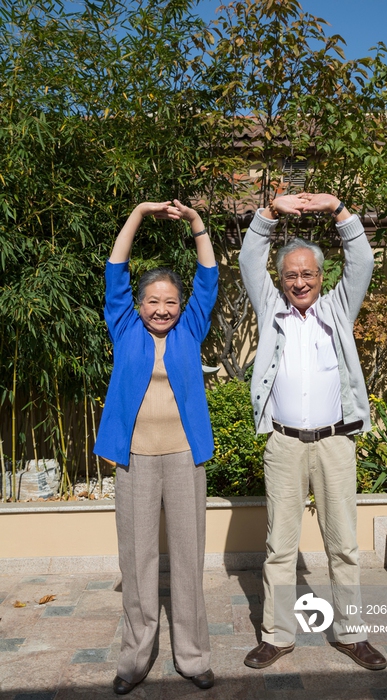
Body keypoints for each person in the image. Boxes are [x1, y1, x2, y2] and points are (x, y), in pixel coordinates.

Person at [238, 192, 387, 671]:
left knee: (343, 544)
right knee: (279, 547)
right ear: (280, 281)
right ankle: (278, 636)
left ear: (322, 277)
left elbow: (361, 257)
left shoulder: (339, 308)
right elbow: (248, 257)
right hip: (283, 443)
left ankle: (351, 633)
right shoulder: (271, 308)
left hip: (335, 442)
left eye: (308, 273)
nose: (299, 281)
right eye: (291, 275)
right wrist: (271, 212)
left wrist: (336, 208)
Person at [93, 200, 218, 695]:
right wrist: (139, 215)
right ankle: (134, 659)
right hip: (135, 459)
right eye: (153, 301)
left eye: (170, 301)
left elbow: (208, 275)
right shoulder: (123, 327)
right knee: (137, 560)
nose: (162, 309)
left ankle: (192, 656)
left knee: (187, 559)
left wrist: (195, 222)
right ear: (138, 305)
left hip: (185, 457)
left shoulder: (191, 328)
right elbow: (115, 269)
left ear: (180, 306)